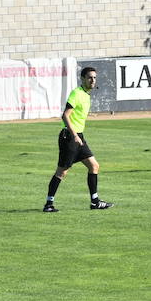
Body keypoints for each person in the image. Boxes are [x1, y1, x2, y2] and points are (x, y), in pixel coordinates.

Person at [43, 66, 114, 212]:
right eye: (89, 77)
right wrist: (74, 135)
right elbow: (65, 115)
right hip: (69, 137)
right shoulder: (76, 93)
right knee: (62, 172)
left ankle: (95, 202)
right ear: (82, 79)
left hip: (79, 137)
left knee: (94, 166)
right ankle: (48, 205)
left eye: (94, 77)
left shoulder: (86, 95)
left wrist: (78, 135)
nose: (92, 80)